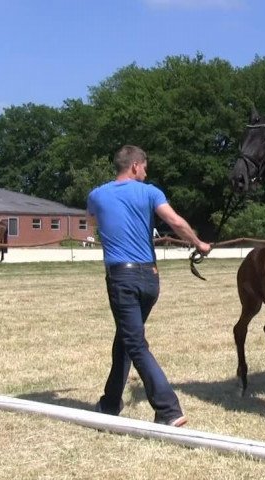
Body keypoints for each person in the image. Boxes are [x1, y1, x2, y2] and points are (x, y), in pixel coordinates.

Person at [87, 145, 211, 427]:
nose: (146, 171)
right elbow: (175, 222)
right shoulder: (151, 192)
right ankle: (109, 403)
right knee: (126, 339)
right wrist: (199, 243)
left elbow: (92, 221)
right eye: (144, 166)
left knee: (134, 341)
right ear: (134, 166)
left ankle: (169, 409)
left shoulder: (96, 195)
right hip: (150, 279)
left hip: (122, 278)